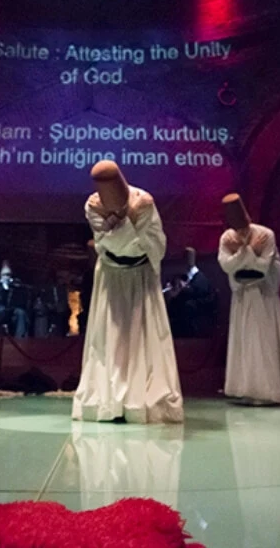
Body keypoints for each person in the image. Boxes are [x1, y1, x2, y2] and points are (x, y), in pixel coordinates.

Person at [73, 161, 183, 423]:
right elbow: (107, 242)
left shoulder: (143, 201)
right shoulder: (92, 205)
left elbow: (146, 244)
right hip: (111, 277)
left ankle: (141, 400)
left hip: (139, 277)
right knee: (110, 339)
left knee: (141, 334)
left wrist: (120, 225)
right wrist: (122, 225)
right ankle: (109, 400)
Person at [218, 193, 280, 404]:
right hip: (243, 296)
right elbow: (227, 265)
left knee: (263, 339)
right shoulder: (227, 238)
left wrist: (247, 253)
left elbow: (264, 266)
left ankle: (268, 390)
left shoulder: (265, 234)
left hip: (263, 295)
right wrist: (246, 252)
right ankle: (245, 388)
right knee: (245, 339)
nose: (241, 232)